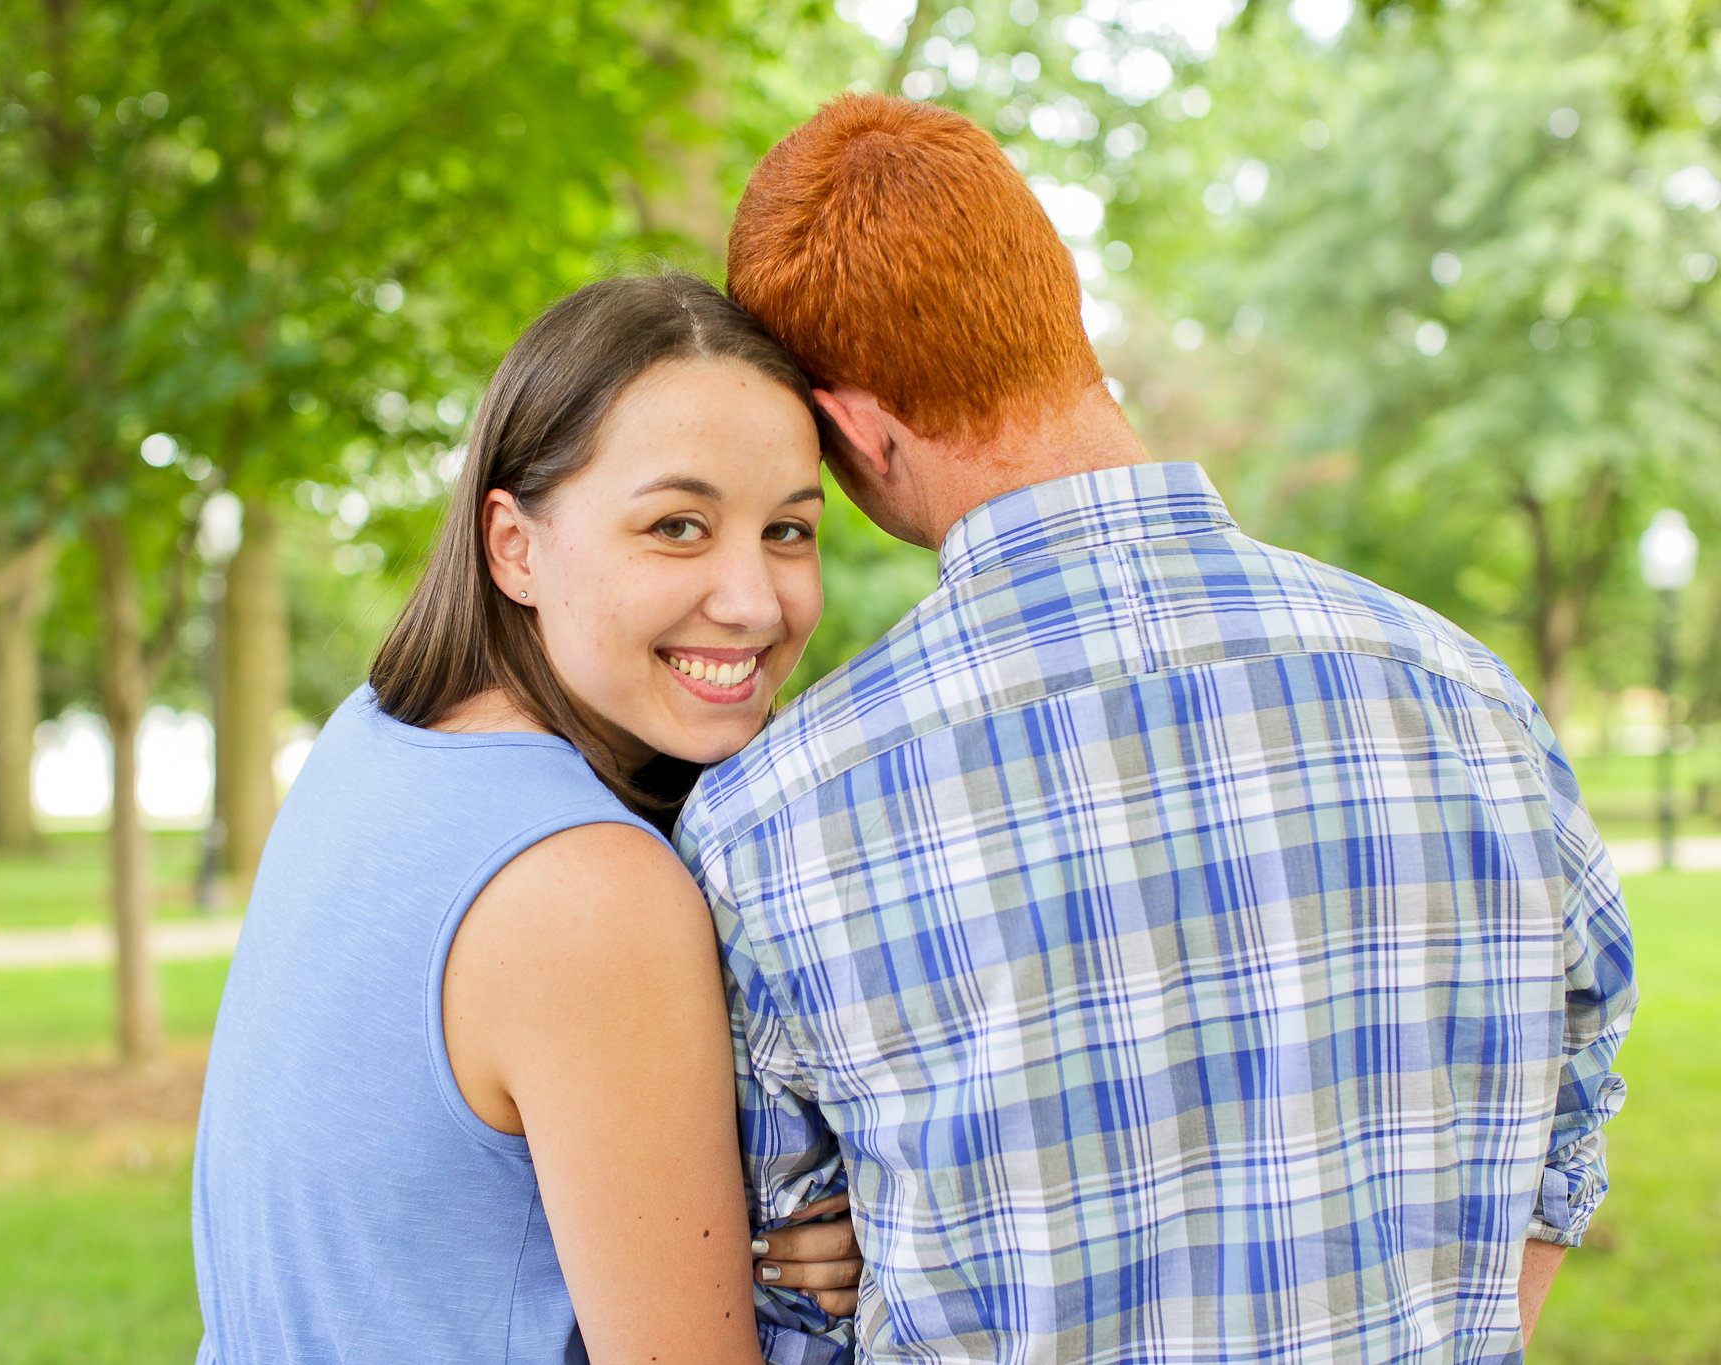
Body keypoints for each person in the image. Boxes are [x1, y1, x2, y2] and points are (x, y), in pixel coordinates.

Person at [675, 94, 1637, 1364]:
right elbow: (1569, 1129)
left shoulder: (768, 820)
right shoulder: (1468, 699)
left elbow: (789, 1293)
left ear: (848, 426)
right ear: (1052, 305)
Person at [191, 273, 863, 1365]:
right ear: (512, 546)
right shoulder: (589, 889)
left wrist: (719, 1240)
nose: (753, 599)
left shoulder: (372, 737)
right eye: (677, 527)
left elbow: (430, 1226)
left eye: (788, 530)